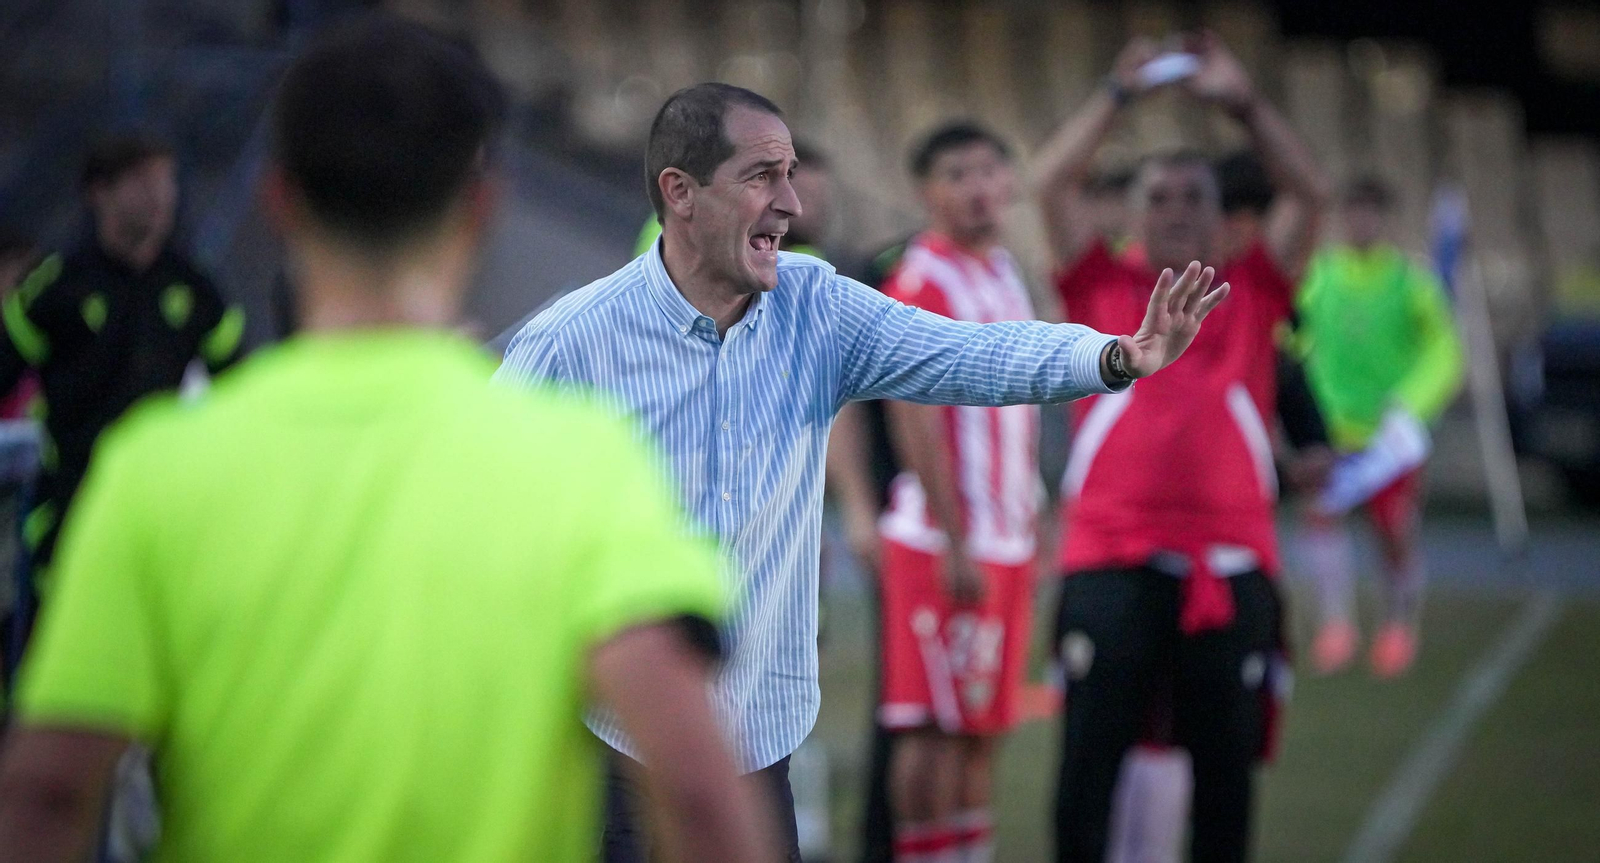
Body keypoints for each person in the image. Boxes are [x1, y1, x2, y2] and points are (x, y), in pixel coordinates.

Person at [0, 18, 774, 863]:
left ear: (279, 198)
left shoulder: (155, 470)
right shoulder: (585, 461)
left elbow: (48, 791)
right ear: (483, 203)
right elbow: (698, 790)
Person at [497, 81, 1229, 863]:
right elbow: (486, 525)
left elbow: (970, 355)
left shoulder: (816, 304)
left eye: (789, 173)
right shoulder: (568, 344)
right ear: (680, 192)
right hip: (619, 740)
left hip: (759, 736)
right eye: (761, 176)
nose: (790, 201)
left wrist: (1116, 355)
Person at [1034, 33, 1331, 863]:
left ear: (1222, 214)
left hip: (1230, 568)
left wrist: (1243, 104)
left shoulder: (1255, 286)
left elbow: (1312, 192)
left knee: (1226, 779)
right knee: (1086, 771)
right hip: (1108, 560)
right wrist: (1115, 95)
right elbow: (1049, 182)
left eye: (1193, 195)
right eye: (1158, 195)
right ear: (1133, 212)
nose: (1174, 209)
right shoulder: (1097, 283)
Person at [872, 121, 1044, 863]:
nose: (976, 189)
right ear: (926, 191)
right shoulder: (921, 278)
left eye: (987, 171)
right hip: (947, 540)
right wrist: (952, 533)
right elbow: (909, 410)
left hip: (1008, 536)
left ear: (1008, 181)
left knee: (983, 726)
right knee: (930, 725)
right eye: (956, 175)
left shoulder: (1005, 270)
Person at [0, 134, 247, 630]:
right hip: (70, 513)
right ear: (100, 193)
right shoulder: (55, 286)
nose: (160, 197)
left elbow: (241, 393)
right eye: (141, 182)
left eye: (167, 181)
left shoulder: (195, 288)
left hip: (164, 515)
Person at [1296, 175, 1464, 678]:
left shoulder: (1410, 282)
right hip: (1330, 429)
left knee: (1393, 530)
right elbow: (1293, 337)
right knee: (1322, 527)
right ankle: (1335, 624)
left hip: (1388, 437)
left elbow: (1445, 352)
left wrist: (1411, 403)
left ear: (1385, 220)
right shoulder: (1319, 276)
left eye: (1371, 213)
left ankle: (1398, 623)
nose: (1360, 223)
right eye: (1353, 212)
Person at [636, 140, 834, 259]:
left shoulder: (807, 258)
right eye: (806, 197)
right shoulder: (685, 218)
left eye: (821, 200)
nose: (816, 211)